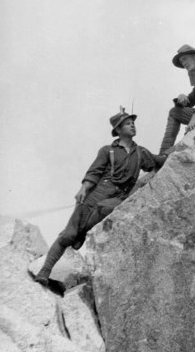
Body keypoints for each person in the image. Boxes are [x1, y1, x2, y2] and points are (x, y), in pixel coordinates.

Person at [33, 109, 165, 293]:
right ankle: (44, 272)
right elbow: (94, 172)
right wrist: (83, 188)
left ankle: (82, 235)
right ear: (118, 130)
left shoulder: (141, 153)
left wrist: (171, 158)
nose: (132, 125)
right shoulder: (107, 151)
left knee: (105, 211)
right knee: (68, 236)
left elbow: (158, 162)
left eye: (133, 122)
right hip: (94, 196)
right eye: (127, 123)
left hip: (116, 199)